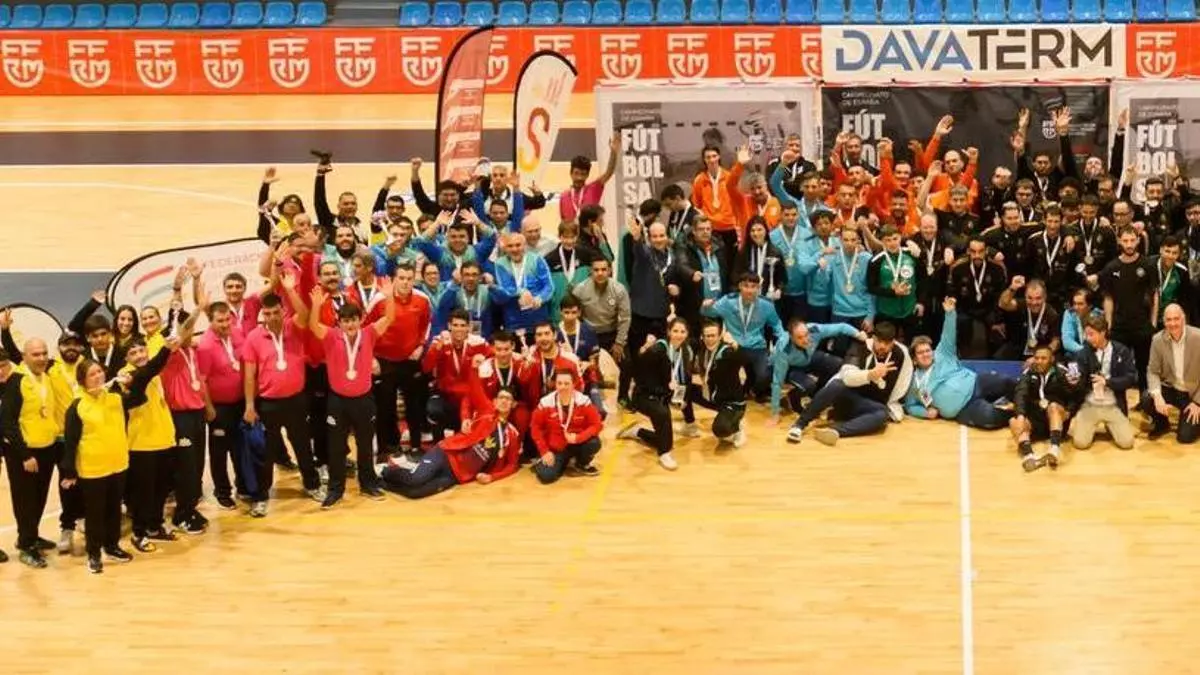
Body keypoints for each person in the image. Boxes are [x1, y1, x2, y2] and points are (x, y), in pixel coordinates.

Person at [60, 341, 176, 574]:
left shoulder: (115, 398)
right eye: (92, 374)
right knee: (95, 514)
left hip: (118, 465)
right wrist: (69, 471)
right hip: (92, 470)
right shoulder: (77, 406)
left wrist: (132, 383)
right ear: (82, 380)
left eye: (99, 372)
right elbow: (71, 442)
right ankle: (94, 554)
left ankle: (112, 546)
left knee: (114, 510)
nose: (98, 377)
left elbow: (139, 395)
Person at [307, 280, 396, 508]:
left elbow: (389, 318)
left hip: (364, 400)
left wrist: (389, 297)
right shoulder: (331, 336)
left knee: (365, 444)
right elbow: (313, 326)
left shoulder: (369, 334)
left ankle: (368, 484)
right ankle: (335, 490)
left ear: (360, 320)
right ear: (339, 322)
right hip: (338, 401)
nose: (350, 324)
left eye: (354, 319)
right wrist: (316, 305)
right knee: (336, 447)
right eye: (346, 321)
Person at [242, 278, 322, 518]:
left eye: (276, 312)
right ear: (262, 315)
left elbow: (305, 314)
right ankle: (261, 497)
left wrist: (289, 289)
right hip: (268, 404)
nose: (272, 317)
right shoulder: (254, 337)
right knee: (267, 453)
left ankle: (312, 485)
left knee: (302, 445)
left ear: (283, 311)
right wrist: (249, 405)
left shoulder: (293, 327)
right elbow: (249, 375)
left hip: (296, 400)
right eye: (267, 314)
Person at [0, 338, 74, 567]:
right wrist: (24, 455)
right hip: (24, 453)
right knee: (25, 500)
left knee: (40, 497)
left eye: (44, 353)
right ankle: (26, 545)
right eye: (35, 354)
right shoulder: (16, 381)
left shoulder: (47, 377)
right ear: (24, 357)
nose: (41, 358)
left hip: (47, 448)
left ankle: (32, 535)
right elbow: (7, 423)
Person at [379, 383, 521, 499]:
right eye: (501, 397)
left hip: (456, 475)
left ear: (514, 404)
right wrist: (474, 366)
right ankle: (384, 470)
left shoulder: (512, 434)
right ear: (494, 401)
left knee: (415, 493)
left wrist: (492, 477)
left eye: (508, 399)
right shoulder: (486, 412)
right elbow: (474, 387)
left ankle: (382, 482)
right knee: (415, 479)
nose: (504, 401)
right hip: (446, 454)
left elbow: (512, 465)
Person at [785, 322, 912, 445]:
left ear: (893, 342)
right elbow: (847, 376)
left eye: (887, 343)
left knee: (882, 414)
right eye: (879, 341)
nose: (882, 346)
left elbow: (903, 380)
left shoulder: (900, 354)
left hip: (869, 404)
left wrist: (893, 404)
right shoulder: (860, 346)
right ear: (873, 338)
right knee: (837, 384)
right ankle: (799, 425)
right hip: (848, 396)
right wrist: (870, 374)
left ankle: (834, 431)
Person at [905, 298, 1015, 430]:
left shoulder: (942, 353)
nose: (926, 354)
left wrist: (950, 314)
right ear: (914, 359)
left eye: (928, 350)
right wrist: (925, 413)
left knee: (1005, 382)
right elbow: (910, 406)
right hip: (963, 408)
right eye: (920, 352)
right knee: (989, 417)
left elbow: (948, 333)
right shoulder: (915, 383)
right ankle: (1018, 414)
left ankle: (1028, 402)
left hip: (976, 383)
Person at [371, 262, 433, 455]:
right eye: (401, 278)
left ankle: (415, 446)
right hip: (384, 360)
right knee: (385, 407)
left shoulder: (423, 299)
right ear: (394, 279)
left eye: (409, 279)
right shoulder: (379, 299)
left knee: (414, 405)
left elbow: (427, 325)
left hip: (410, 360)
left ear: (414, 280)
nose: (405, 282)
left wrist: (421, 346)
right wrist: (371, 357)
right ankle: (386, 448)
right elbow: (366, 329)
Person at [618, 319, 693, 471]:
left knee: (664, 439)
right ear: (669, 332)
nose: (679, 335)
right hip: (644, 395)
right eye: (675, 331)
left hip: (663, 395)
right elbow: (638, 363)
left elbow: (684, 378)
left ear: (687, 334)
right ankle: (664, 454)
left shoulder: (686, 351)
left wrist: (680, 398)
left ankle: (637, 431)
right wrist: (645, 347)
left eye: (682, 332)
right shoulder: (658, 349)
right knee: (663, 415)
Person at [195, 301, 248, 510]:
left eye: (227, 319)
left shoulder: (237, 333)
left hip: (240, 402)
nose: (225, 324)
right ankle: (222, 491)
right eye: (220, 321)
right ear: (211, 321)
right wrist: (209, 408)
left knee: (240, 447)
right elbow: (202, 379)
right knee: (219, 452)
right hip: (219, 407)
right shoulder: (206, 345)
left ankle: (243, 485)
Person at [701, 273, 785, 403]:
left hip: (757, 347)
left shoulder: (767, 305)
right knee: (723, 371)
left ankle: (752, 389)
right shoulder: (728, 302)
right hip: (734, 346)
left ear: (758, 288)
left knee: (766, 374)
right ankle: (729, 392)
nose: (749, 290)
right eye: (746, 286)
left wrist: (783, 340)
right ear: (740, 286)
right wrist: (705, 306)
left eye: (753, 286)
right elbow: (709, 312)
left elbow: (776, 325)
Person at [768, 319, 863, 423]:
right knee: (809, 384)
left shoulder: (814, 330)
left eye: (806, 335)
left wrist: (859, 334)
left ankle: (818, 396)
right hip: (788, 367)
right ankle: (792, 397)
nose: (805, 340)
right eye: (799, 337)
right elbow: (777, 382)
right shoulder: (784, 349)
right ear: (791, 337)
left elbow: (842, 327)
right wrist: (774, 413)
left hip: (807, 358)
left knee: (837, 364)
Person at [1067, 315, 1137, 451]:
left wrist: (1108, 382)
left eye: (1091, 334)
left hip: (1113, 405)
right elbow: (1079, 383)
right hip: (1090, 404)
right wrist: (1074, 381)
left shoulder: (1121, 350)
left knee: (1127, 443)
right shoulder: (1082, 353)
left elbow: (1131, 378)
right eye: (1086, 334)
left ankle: (1111, 425)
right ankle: (1087, 424)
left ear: (1103, 332)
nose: (1088, 338)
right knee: (1080, 443)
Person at [422, 310, 494, 439]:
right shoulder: (440, 341)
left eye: (462, 325)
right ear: (449, 326)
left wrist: (514, 355)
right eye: (455, 325)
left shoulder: (479, 343)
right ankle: (438, 444)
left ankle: (465, 440)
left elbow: (495, 357)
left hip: (469, 397)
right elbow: (426, 368)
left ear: (469, 327)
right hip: (446, 395)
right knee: (434, 410)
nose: (459, 329)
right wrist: (436, 349)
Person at [1101, 226, 1158, 387]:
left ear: (1138, 240)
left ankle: (1145, 396)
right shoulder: (1111, 267)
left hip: (1142, 325)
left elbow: (1155, 294)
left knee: (1144, 366)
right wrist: (1109, 325)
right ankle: (1120, 399)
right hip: (1119, 327)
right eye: (1125, 240)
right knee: (1119, 368)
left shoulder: (1148, 264)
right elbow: (1108, 298)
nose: (1129, 244)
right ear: (1119, 241)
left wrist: (1153, 323)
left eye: (1132, 240)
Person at [530, 369, 604, 484]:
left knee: (594, 443)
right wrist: (544, 451)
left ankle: (580, 464)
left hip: (577, 444)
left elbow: (597, 425)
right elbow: (535, 428)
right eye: (559, 383)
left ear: (573, 384)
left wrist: (578, 438)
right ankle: (556, 462)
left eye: (566, 383)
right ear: (555, 384)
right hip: (556, 448)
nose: (563, 387)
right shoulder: (545, 403)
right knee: (546, 477)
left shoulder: (583, 401)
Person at [1142, 303, 1200, 443]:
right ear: (1164, 321)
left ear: (1183, 319)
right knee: (1147, 398)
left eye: (1176, 319)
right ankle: (1162, 424)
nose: (1172, 323)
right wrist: (1157, 396)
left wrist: (1197, 403)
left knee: (1185, 437)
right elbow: (1152, 371)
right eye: (1168, 320)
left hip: (1193, 393)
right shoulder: (1157, 340)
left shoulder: (1198, 337)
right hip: (1173, 388)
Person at [1010, 345, 1072, 472]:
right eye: (1037, 358)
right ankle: (1029, 456)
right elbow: (1020, 394)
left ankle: (1054, 450)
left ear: (1052, 359)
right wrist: (1021, 415)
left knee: (1053, 406)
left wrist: (1069, 411)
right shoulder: (1029, 372)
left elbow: (1075, 394)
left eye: (1043, 358)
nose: (1039, 361)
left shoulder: (1062, 372)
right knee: (1014, 421)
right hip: (1036, 420)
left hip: (1056, 420)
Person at [687, 321, 748, 446]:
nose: (710, 339)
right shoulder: (703, 350)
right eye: (707, 336)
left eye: (713, 335)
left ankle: (737, 428)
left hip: (732, 402)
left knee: (720, 430)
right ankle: (689, 425)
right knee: (685, 390)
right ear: (702, 337)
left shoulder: (726, 352)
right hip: (714, 397)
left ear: (720, 336)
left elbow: (742, 359)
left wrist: (734, 344)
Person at [570, 257, 630, 374]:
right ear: (590, 271)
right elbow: (574, 315)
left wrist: (619, 343)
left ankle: (621, 387)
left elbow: (625, 318)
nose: (600, 273)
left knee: (625, 364)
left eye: (603, 269)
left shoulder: (619, 289)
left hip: (611, 335)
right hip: (588, 335)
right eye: (596, 270)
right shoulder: (580, 290)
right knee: (584, 367)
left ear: (609, 271)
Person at [868, 225, 919, 341]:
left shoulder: (911, 254)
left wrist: (921, 302)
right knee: (887, 344)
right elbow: (871, 288)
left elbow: (922, 279)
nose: (892, 243)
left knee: (912, 344)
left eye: (895, 239)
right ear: (882, 241)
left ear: (900, 238)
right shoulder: (875, 261)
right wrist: (892, 292)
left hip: (910, 309)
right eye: (888, 240)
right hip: (887, 313)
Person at [996, 277, 1061, 360]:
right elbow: (1003, 304)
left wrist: (1040, 356)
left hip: (1041, 354)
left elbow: (1056, 342)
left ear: (1045, 297)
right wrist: (1012, 288)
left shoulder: (1052, 314)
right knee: (999, 357)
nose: (1034, 302)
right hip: (1018, 350)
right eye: (1030, 298)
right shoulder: (1022, 305)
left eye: (1038, 298)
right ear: (1025, 296)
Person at [560, 138, 620, 223]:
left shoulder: (593, 189)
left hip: (591, 231)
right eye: (576, 173)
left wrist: (613, 153)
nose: (579, 177)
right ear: (571, 173)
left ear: (587, 175)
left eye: (583, 174)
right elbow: (563, 223)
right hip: (572, 232)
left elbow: (608, 172)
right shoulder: (564, 196)